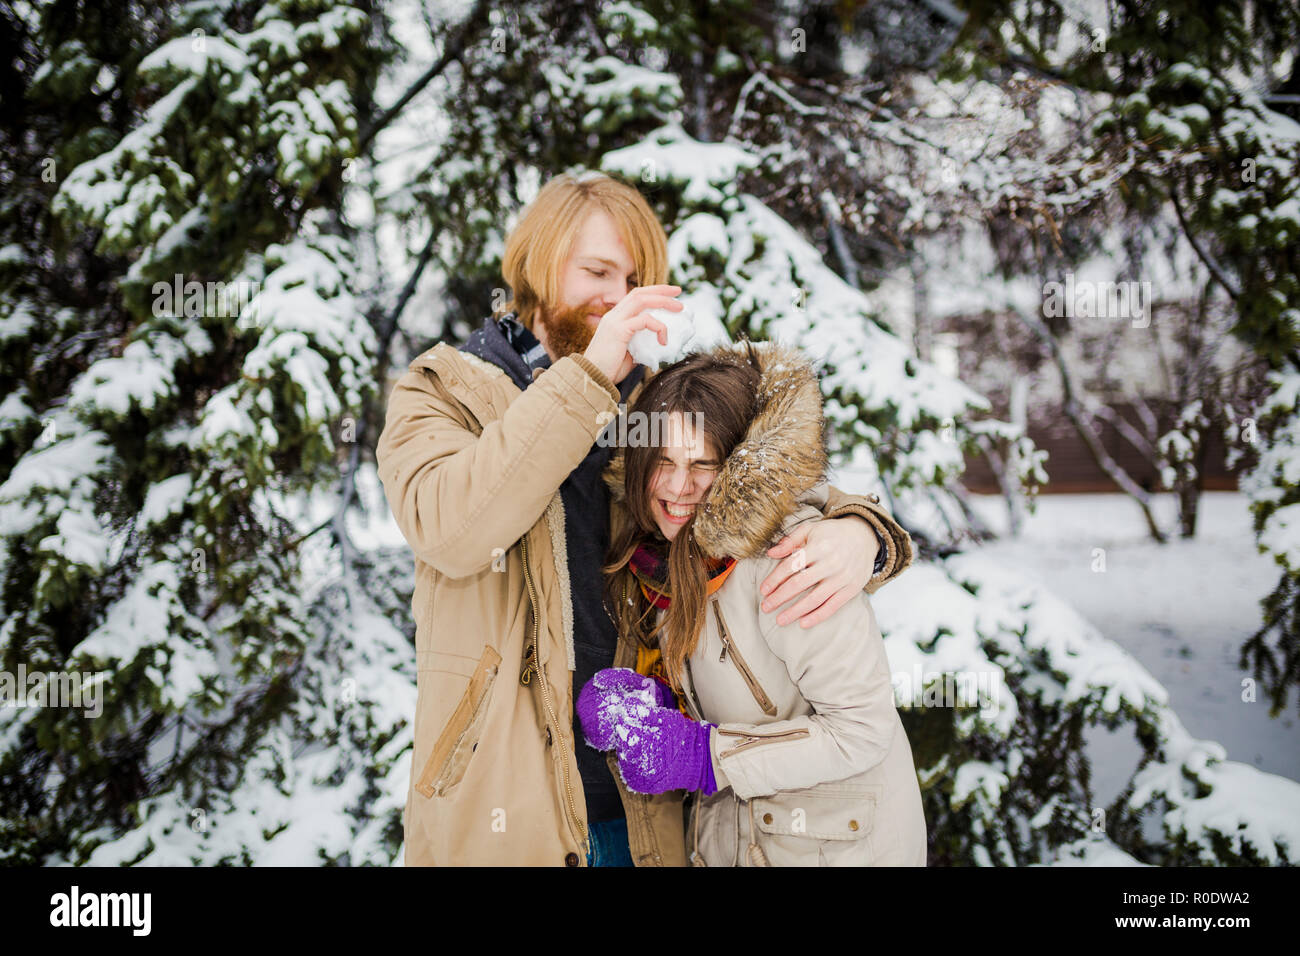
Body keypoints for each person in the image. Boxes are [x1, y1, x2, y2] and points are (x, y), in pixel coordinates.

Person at [375, 169, 915, 866]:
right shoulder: (444, 389)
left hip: (650, 808)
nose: (617, 299)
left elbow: (754, 478)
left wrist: (859, 530)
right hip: (504, 811)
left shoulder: (649, 403)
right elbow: (453, 530)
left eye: (636, 281)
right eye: (598, 271)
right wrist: (588, 380)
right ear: (539, 265)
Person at [578, 340, 928, 866]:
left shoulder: (789, 560)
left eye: (704, 464)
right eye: (663, 462)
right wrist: (661, 708)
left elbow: (861, 729)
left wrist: (703, 755)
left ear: (740, 467)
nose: (678, 487)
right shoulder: (674, 560)